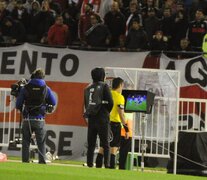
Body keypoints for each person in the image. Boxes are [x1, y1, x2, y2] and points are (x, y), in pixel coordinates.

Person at [16, 68, 57, 164]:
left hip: (27, 119)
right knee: (41, 143)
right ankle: (42, 162)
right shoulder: (46, 88)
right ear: (43, 77)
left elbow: (18, 104)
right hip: (40, 119)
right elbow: (53, 102)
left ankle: (25, 162)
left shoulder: (25, 88)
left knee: (26, 142)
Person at [95, 77, 129, 169]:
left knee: (102, 147)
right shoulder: (120, 97)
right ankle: (111, 170)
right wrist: (126, 129)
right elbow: (121, 114)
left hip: (104, 123)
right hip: (114, 125)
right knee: (113, 148)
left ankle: (97, 169)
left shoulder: (106, 94)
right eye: (122, 86)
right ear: (121, 85)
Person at [84, 67, 113, 168]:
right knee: (105, 143)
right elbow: (111, 103)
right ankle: (107, 164)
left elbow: (86, 103)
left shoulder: (87, 88)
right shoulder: (104, 86)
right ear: (102, 76)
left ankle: (89, 164)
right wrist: (105, 112)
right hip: (102, 118)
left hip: (91, 118)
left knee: (91, 144)